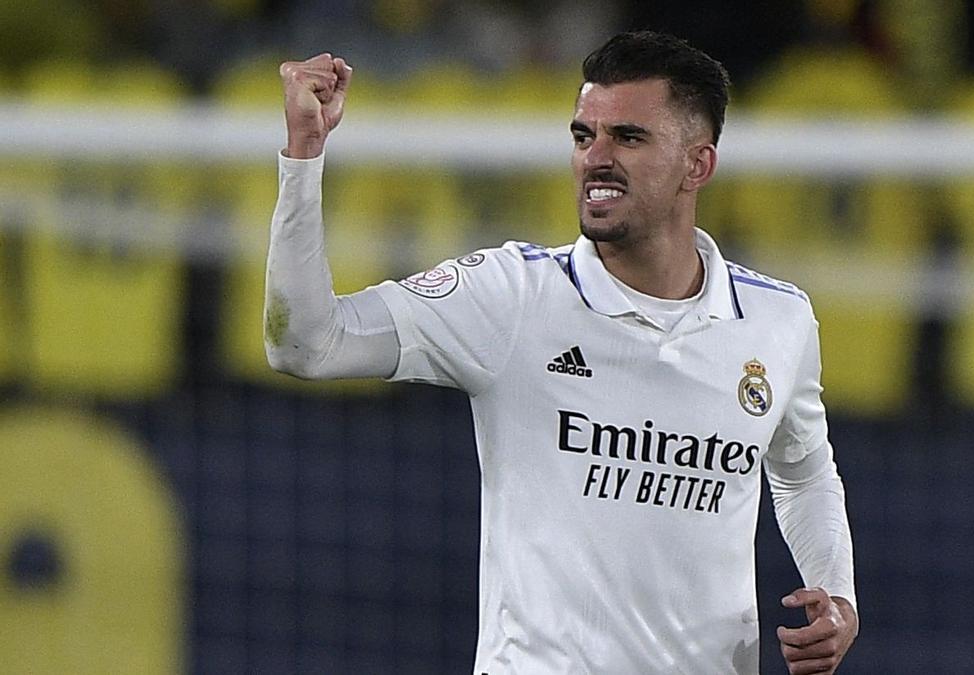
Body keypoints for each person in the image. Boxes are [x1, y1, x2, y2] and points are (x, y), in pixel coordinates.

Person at [266, 31, 858, 675]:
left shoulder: (778, 319)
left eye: (628, 137)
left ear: (698, 164)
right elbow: (307, 343)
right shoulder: (509, 296)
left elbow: (804, 472)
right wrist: (304, 155)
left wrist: (838, 593)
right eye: (584, 136)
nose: (596, 159)